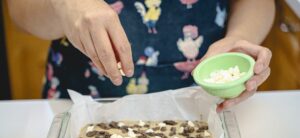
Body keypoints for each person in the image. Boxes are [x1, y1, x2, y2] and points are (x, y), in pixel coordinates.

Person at [7, 0, 274, 111]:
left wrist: (241, 37)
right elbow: (19, 11)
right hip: (82, 101)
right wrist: (64, 4)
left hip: (205, 103)